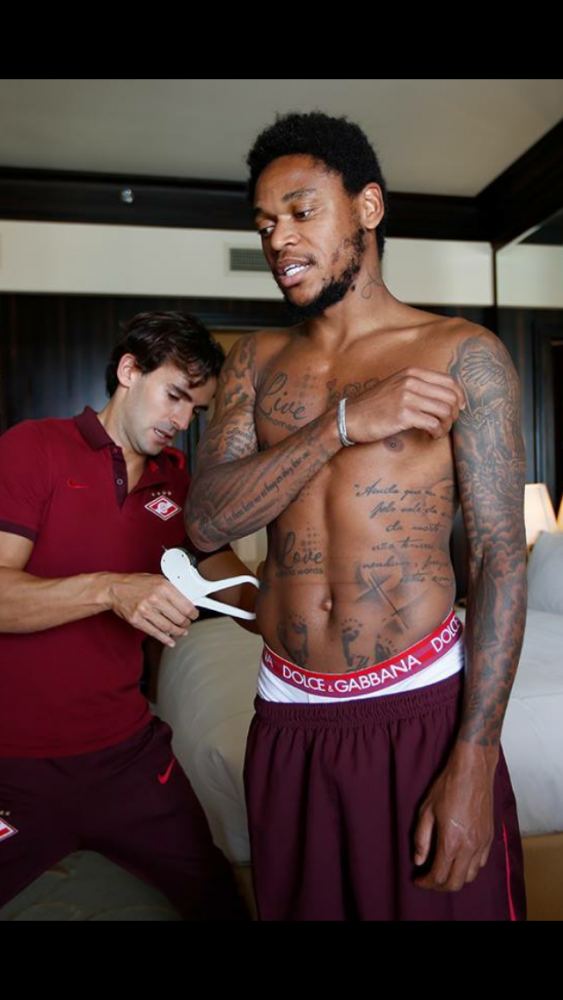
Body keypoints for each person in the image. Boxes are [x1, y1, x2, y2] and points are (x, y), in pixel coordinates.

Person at [185, 112, 528, 921]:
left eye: (301, 211)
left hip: (420, 707)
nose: (277, 239)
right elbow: (204, 523)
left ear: (367, 207)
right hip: (287, 713)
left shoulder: (463, 353)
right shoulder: (255, 362)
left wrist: (474, 759)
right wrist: (342, 425)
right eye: (264, 223)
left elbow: (499, 558)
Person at [0, 310, 256, 920]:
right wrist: (110, 590)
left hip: (127, 757)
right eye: (175, 396)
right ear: (129, 371)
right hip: (13, 763)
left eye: (196, 409)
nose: (181, 422)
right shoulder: (33, 447)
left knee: (219, 903)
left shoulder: (178, 485)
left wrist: (305, 589)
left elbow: (241, 594)